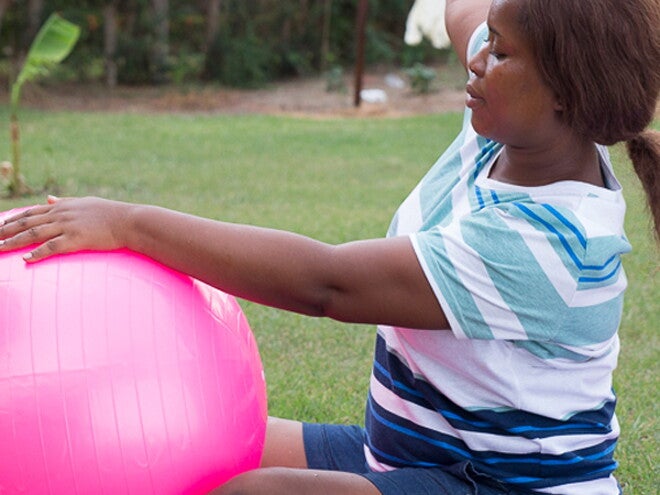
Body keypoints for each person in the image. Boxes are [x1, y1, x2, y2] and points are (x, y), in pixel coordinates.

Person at [1, 0, 658, 493]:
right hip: (420, 451)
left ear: (566, 92)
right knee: (210, 449)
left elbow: (327, 283)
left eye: (502, 53)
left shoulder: (547, 244)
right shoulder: (521, 128)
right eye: (491, 39)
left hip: (503, 482)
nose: (479, 58)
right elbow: (467, 17)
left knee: (252, 492)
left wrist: (131, 223)